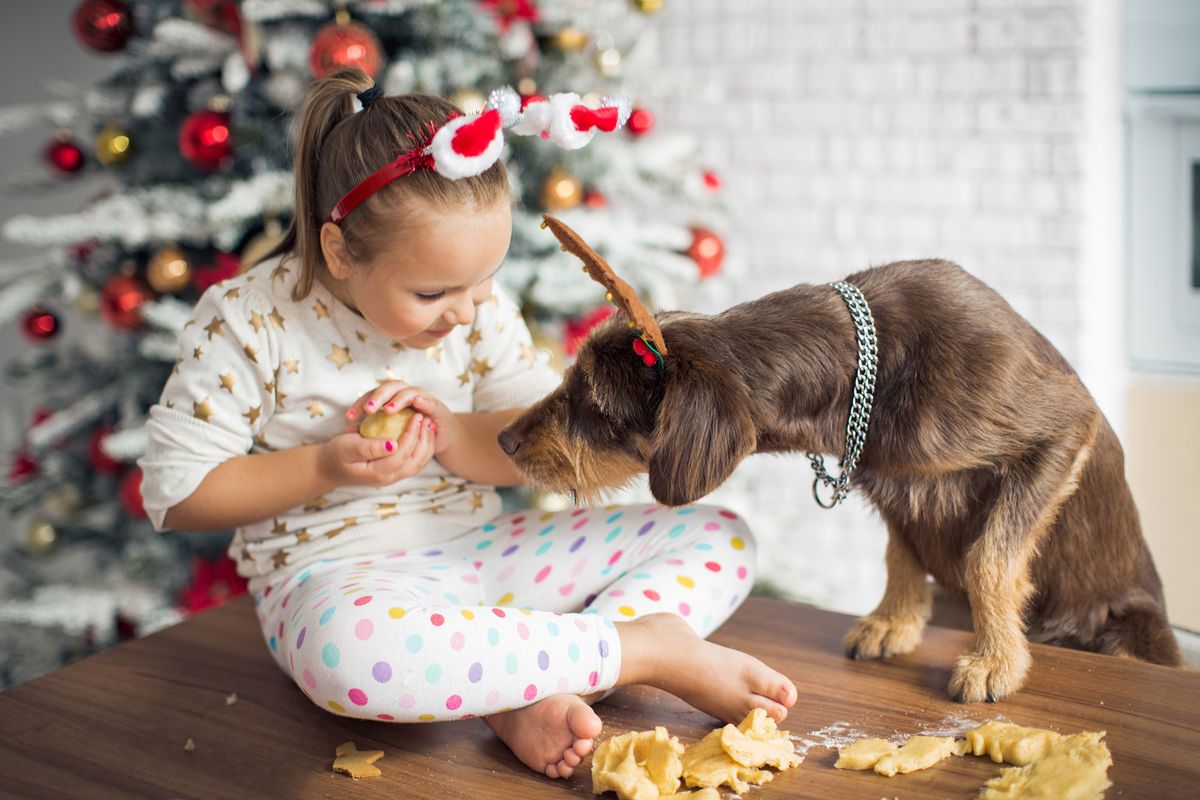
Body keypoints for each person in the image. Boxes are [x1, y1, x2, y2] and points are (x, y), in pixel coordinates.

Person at [139, 68, 797, 780]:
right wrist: (324, 466)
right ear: (338, 251)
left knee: (720, 536)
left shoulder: (475, 307)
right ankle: (638, 650)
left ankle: (526, 682)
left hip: (483, 554)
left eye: (485, 282)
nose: (466, 311)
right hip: (334, 579)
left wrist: (453, 434)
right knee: (359, 660)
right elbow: (177, 494)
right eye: (433, 292)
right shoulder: (246, 321)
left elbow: (521, 447)